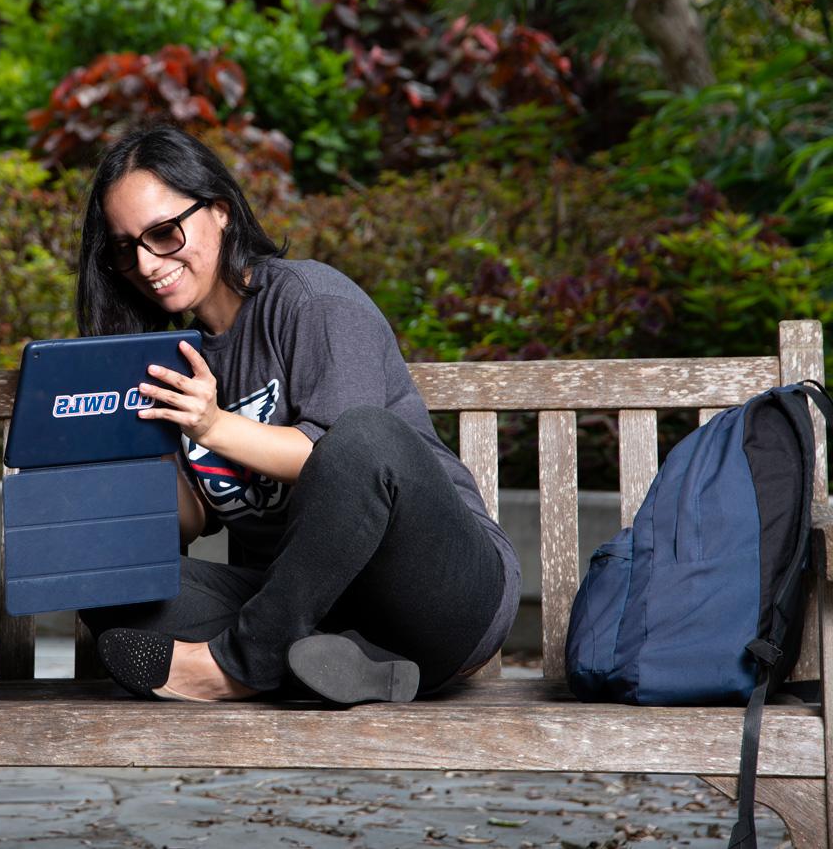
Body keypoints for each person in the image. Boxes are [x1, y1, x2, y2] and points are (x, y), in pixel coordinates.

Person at [75, 126, 520, 704]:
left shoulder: (312, 302)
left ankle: (240, 666)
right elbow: (190, 515)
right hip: (310, 615)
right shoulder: (172, 361)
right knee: (109, 581)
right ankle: (360, 670)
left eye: (163, 233)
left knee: (363, 439)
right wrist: (103, 461)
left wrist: (212, 426)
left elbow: (341, 463)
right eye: (123, 247)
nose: (146, 262)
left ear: (220, 211)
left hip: (437, 594)